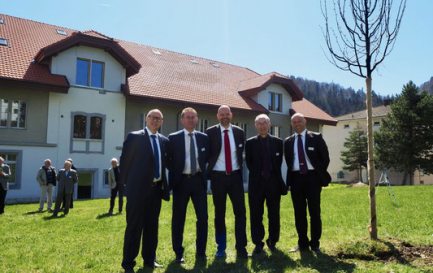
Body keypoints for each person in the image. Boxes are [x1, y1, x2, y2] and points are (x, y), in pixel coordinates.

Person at [120, 109, 170, 272]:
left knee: (152, 227)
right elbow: (125, 163)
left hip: (156, 191)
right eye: (152, 117)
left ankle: (149, 259)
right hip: (137, 191)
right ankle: (128, 263)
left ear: (162, 122)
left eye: (159, 118)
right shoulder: (135, 137)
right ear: (146, 119)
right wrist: (125, 187)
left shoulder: (163, 140)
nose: (155, 121)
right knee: (134, 226)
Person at [284, 113, 331, 253]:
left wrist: (318, 174)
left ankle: (315, 244)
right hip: (296, 179)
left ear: (305, 122)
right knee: (299, 213)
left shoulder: (316, 137)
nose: (297, 123)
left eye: (299, 121)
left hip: (313, 179)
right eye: (294, 122)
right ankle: (302, 243)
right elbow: (289, 161)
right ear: (291, 124)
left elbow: (325, 158)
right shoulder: (288, 141)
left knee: (314, 212)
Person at [167, 107, 209, 264]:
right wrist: (177, 172)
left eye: (193, 117)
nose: (191, 120)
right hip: (181, 182)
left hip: (199, 181)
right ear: (182, 120)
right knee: (178, 219)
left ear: (197, 119)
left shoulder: (204, 138)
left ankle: (201, 252)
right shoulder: (173, 138)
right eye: (188, 117)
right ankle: (178, 253)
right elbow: (168, 160)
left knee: (203, 218)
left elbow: (207, 158)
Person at [205, 105, 248, 259]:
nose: (224, 116)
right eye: (222, 114)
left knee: (241, 213)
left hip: (235, 177)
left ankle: (241, 247)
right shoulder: (210, 132)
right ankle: (221, 247)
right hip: (218, 178)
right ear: (217, 116)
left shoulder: (239, 132)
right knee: (219, 213)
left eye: (227, 114)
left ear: (231, 115)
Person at [245, 114, 287, 256]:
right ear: (255, 125)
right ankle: (258, 243)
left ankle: (273, 241)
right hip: (256, 184)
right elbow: (249, 163)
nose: (262, 126)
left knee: (274, 214)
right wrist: (260, 175)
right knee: (256, 215)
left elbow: (278, 162)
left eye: (265, 123)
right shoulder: (250, 143)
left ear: (269, 124)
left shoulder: (278, 142)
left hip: (273, 184)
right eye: (259, 123)